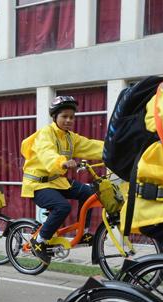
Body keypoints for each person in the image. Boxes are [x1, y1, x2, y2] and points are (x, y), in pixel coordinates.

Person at [20, 96, 103, 265]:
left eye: (72, 117)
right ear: (55, 117)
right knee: (62, 206)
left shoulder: (71, 138)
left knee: (90, 194)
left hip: (57, 181)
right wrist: (61, 162)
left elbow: (92, 146)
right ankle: (39, 241)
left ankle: (83, 233)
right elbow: (46, 152)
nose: (69, 120)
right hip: (38, 184)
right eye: (64, 116)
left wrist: (115, 149)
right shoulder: (45, 134)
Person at [125, 19, 163, 257]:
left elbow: (87, 146)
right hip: (161, 206)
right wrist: (60, 163)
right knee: (61, 207)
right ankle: (43, 239)